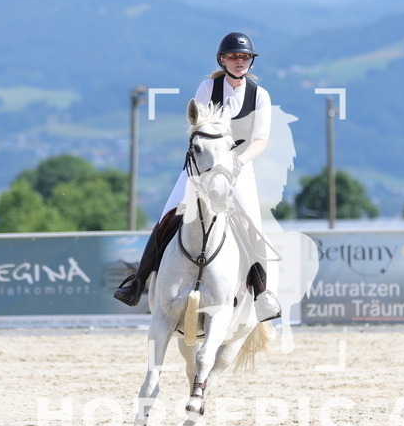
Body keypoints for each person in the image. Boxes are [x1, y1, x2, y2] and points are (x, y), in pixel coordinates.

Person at [114, 31, 282, 322]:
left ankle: (261, 293)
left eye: (244, 57)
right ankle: (137, 281)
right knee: (167, 216)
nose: (239, 61)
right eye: (234, 56)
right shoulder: (207, 88)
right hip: (201, 170)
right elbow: (199, 129)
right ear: (223, 59)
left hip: (239, 171)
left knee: (253, 226)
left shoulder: (260, 96)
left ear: (250, 62)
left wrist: (237, 162)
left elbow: (261, 139)